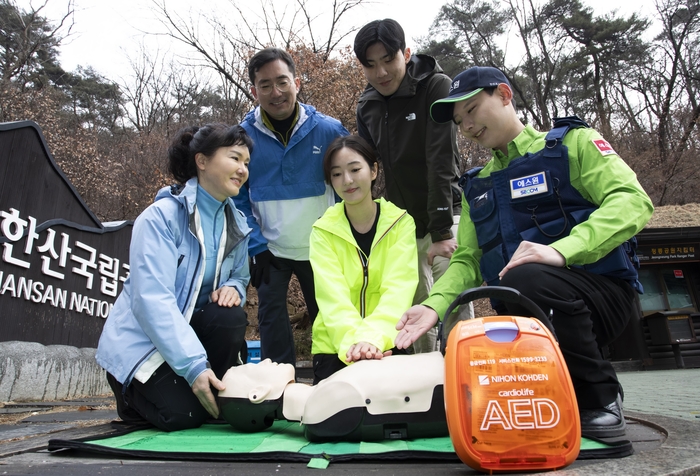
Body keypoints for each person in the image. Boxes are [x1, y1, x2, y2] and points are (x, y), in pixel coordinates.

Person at [395, 66, 654, 438]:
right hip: (524, 312)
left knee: (525, 277)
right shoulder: (476, 185)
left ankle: (601, 398)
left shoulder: (572, 143)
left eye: (471, 110)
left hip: (598, 294)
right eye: (457, 120)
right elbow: (467, 259)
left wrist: (562, 251)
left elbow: (632, 201)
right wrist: (432, 306)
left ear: (503, 94)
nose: (465, 125)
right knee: (490, 320)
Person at [96, 124, 253, 431]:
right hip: (144, 343)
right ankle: (129, 391)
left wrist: (235, 287)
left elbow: (239, 275)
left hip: (191, 339)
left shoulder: (237, 222)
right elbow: (151, 300)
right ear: (202, 161)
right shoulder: (160, 218)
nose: (242, 169)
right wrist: (194, 367)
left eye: (246, 163)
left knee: (230, 316)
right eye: (235, 158)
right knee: (185, 416)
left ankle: (202, 390)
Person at [353, 19, 469, 354]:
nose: (381, 72)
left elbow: (441, 158)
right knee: (414, 310)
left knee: (455, 301)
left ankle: (465, 374)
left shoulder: (436, 86)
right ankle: (426, 385)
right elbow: (367, 169)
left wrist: (442, 229)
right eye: (370, 65)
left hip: (448, 215)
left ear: (406, 53)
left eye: (389, 59)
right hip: (402, 224)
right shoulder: (367, 105)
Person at [234, 48, 349, 367]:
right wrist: (255, 245)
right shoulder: (243, 138)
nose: (275, 92)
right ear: (254, 90)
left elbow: (348, 186)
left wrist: (344, 237)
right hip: (270, 247)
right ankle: (279, 385)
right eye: (265, 84)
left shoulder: (329, 130)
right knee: (271, 318)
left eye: (282, 81)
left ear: (297, 83)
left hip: (322, 246)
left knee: (328, 317)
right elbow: (237, 196)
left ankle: (334, 379)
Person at [309, 135, 418, 383]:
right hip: (335, 347)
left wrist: (373, 339)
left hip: (390, 341)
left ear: (373, 170)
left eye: (355, 169)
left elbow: (399, 289)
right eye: (336, 174)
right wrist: (356, 344)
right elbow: (331, 298)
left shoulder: (400, 224)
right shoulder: (322, 231)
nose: (347, 180)